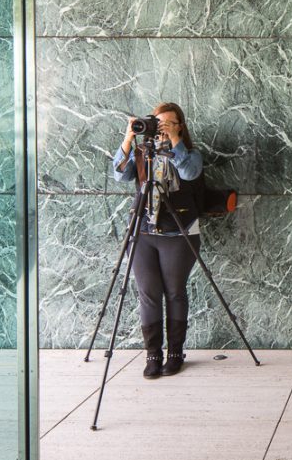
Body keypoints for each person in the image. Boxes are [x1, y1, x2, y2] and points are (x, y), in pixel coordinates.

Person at [112, 102, 203, 378]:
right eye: (157, 122)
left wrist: (173, 142)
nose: (160, 128)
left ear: (180, 126)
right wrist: (129, 137)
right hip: (143, 232)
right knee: (148, 294)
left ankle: (175, 353)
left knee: (175, 291)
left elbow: (189, 172)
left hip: (179, 233)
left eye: (168, 123)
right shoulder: (142, 153)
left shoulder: (191, 154)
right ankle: (153, 355)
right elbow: (119, 174)